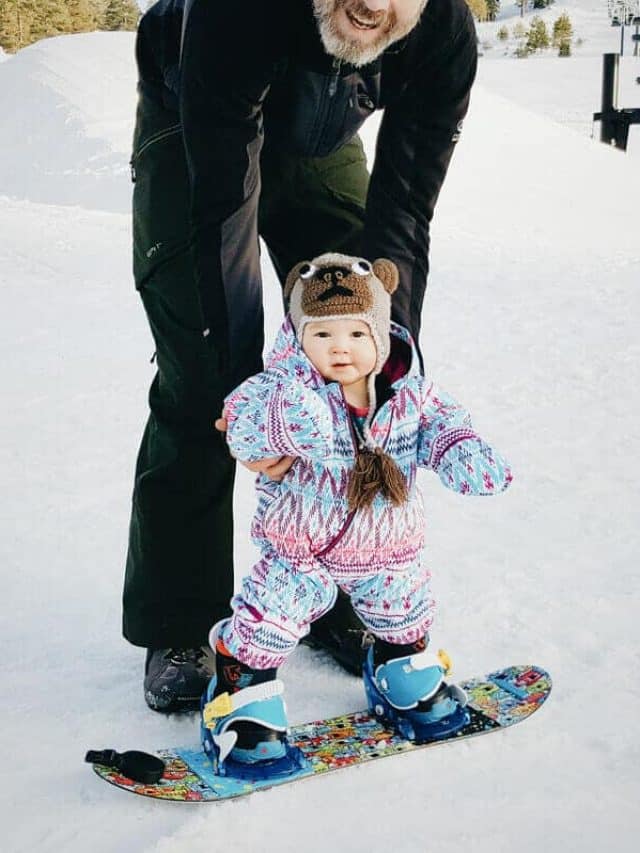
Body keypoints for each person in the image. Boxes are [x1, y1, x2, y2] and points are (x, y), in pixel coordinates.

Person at [124, 0, 479, 711]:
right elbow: (221, 212)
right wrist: (243, 405)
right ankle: (181, 619)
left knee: (348, 353)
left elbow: (404, 210)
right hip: (196, 119)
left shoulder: (441, 32)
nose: (376, 4)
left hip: (321, 136)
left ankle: (339, 587)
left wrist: (387, 369)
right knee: (204, 371)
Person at [200, 252, 512, 772]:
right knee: (268, 619)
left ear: (381, 338)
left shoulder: (409, 396)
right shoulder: (283, 390)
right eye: (321, 336)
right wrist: (289, 419)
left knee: (403, 609)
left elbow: (443, 423)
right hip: (301, 548)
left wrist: (460, 449)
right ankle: (239, 690)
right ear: (299, 339)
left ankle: (398, 667)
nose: (339, 347)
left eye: (355, 334)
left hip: (388, 544)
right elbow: (243, 424)